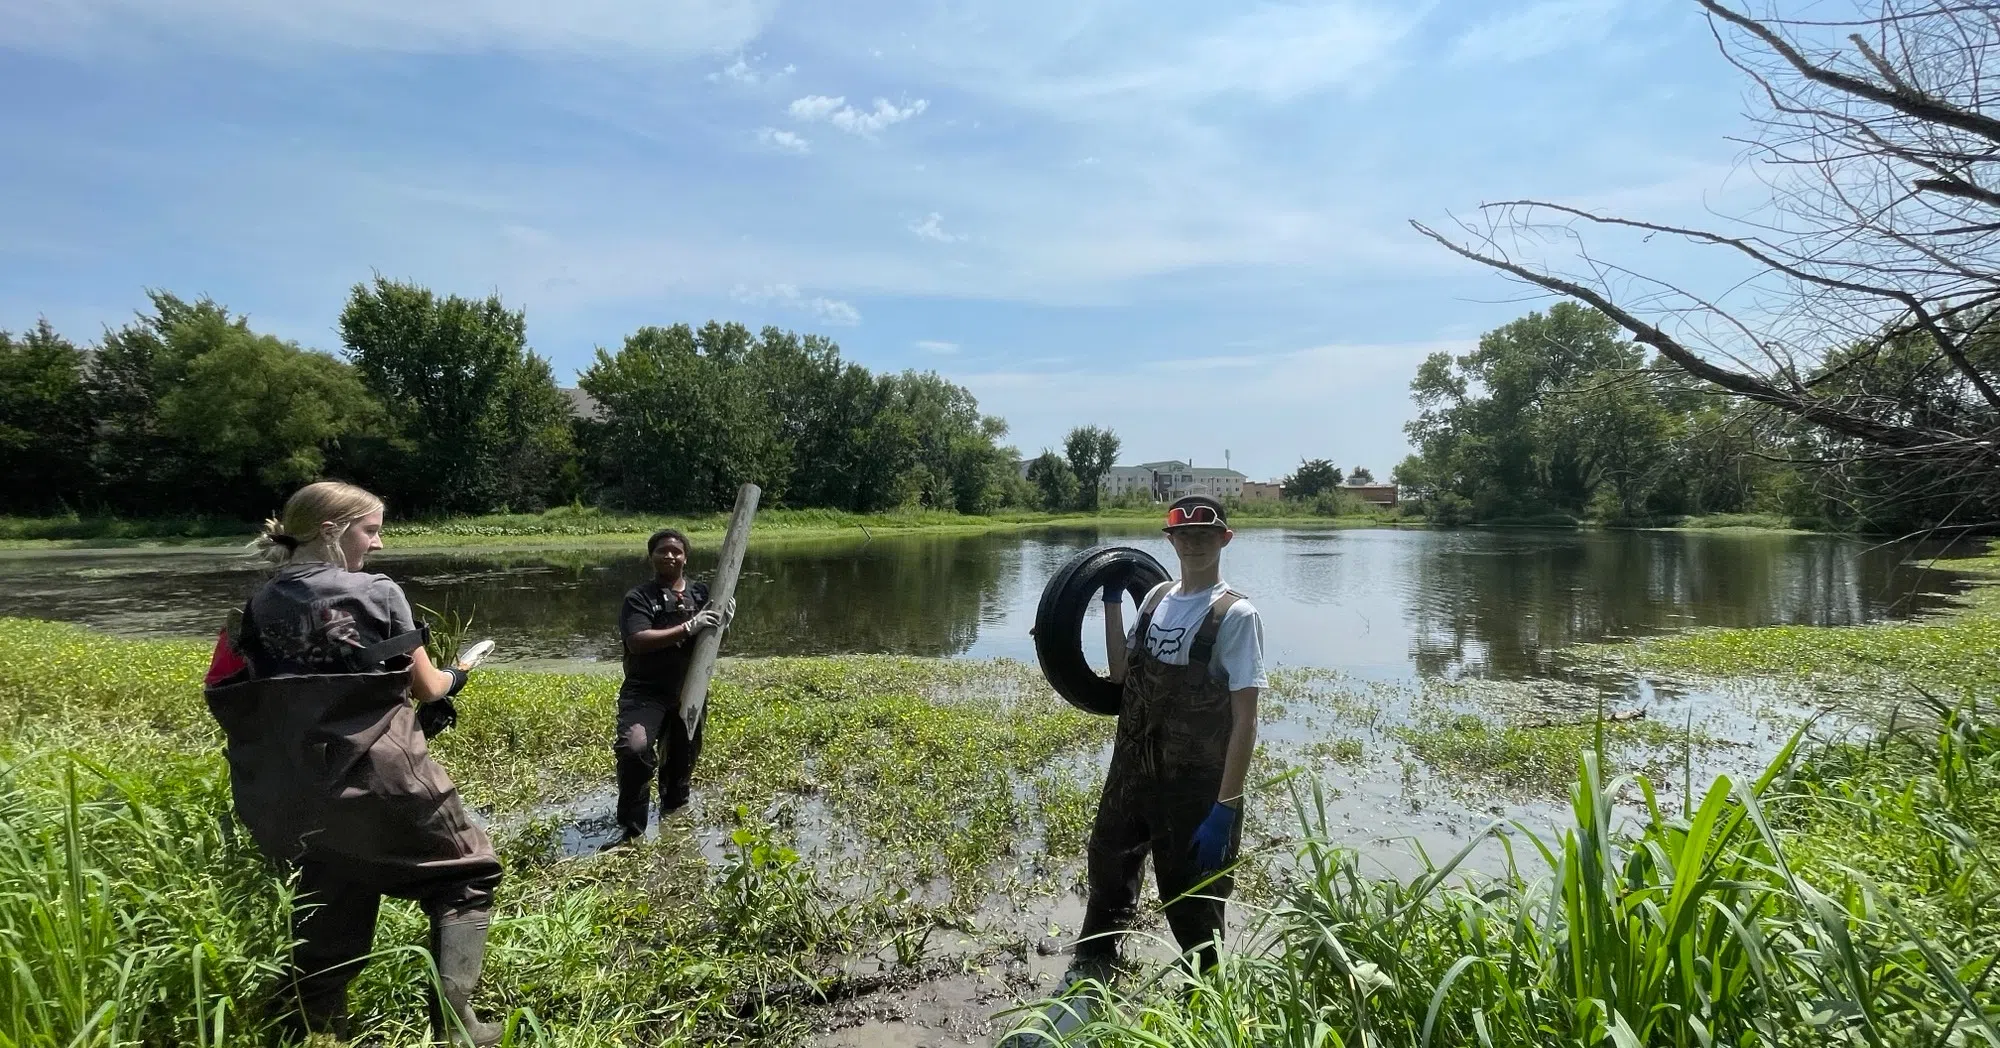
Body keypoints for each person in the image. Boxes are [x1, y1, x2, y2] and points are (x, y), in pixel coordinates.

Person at [200, 481, 507, 1046]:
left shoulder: (250, 608)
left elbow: (225, 691)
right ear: (331, 530)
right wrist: (460, 674)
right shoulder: (377, 592)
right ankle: (456, 1024)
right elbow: (430, 687)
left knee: (334, 887)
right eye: (372, 530)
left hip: (283, 793)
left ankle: (303, 1025)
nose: (381, 544)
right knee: (468, 873)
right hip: (377, 778)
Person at [1074, 493, 1266, 979]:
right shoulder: (1157, 599)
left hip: (1195, 788)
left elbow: (1246, 719)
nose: (1194, 544)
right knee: (1108, 868)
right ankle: (1094, 966)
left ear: (1225, 539)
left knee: (1192, 900)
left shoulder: (1235, 616)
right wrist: (1112, 602)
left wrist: (1226, 807)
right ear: (1171, 541)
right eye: (1184, 536)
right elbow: (1122, 674)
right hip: (1133, 773)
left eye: (1205, 535)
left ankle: (1206, 997)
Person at [610, 527, 731, 846]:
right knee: (634, 749)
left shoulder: (703, 594)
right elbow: (637, 642)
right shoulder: (639, 598)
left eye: (676, 551)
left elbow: (712, 641)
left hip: (689, 690)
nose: (670, 555)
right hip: (645, 691)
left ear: (686, 557)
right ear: (651, 556)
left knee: (681, 763)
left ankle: (674, 827)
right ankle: (632, 828)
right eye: (662, 550)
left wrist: (723, 625)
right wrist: (689, 626)